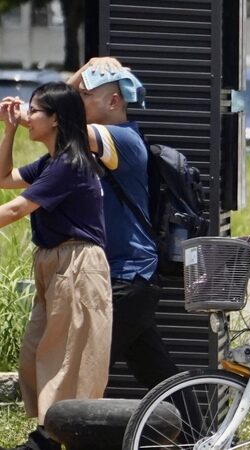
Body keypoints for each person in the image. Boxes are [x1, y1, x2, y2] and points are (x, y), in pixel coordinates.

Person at [0, 83, 112, 450]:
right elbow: (3, 180)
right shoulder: (52, 161)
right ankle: (54, 433)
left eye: (34, 111)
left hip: (77, 264)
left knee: (66, 356)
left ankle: (51, 438)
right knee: (38, 350)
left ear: (56, 119)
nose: (27, 115)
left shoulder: (70, 163)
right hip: (55, 264)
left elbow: (16, 209)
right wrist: (10, 129)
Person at [65, 58, 180, 391]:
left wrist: (82, 71)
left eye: (85, 95)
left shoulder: (117, 138)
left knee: (79, 369)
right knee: (158, 374)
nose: (77, 101)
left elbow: (54, 115)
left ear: (113, 102)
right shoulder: (113, 138)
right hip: (130, 279)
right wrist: (88, 69)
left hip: (127, 280)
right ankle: (200, 437)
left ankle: (43, 443)